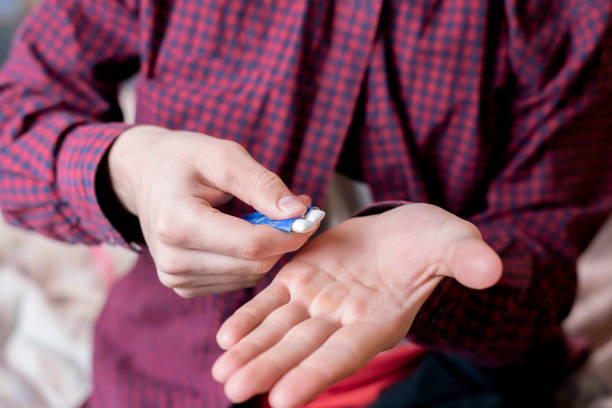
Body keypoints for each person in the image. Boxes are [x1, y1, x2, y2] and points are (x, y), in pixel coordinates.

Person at [0, 1, 610, 407]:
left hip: (448, 381)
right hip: (163, 369)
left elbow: (541, 265)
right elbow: (13, 121)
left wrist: (436, 277)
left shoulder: (572, 14)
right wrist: (126, 170)